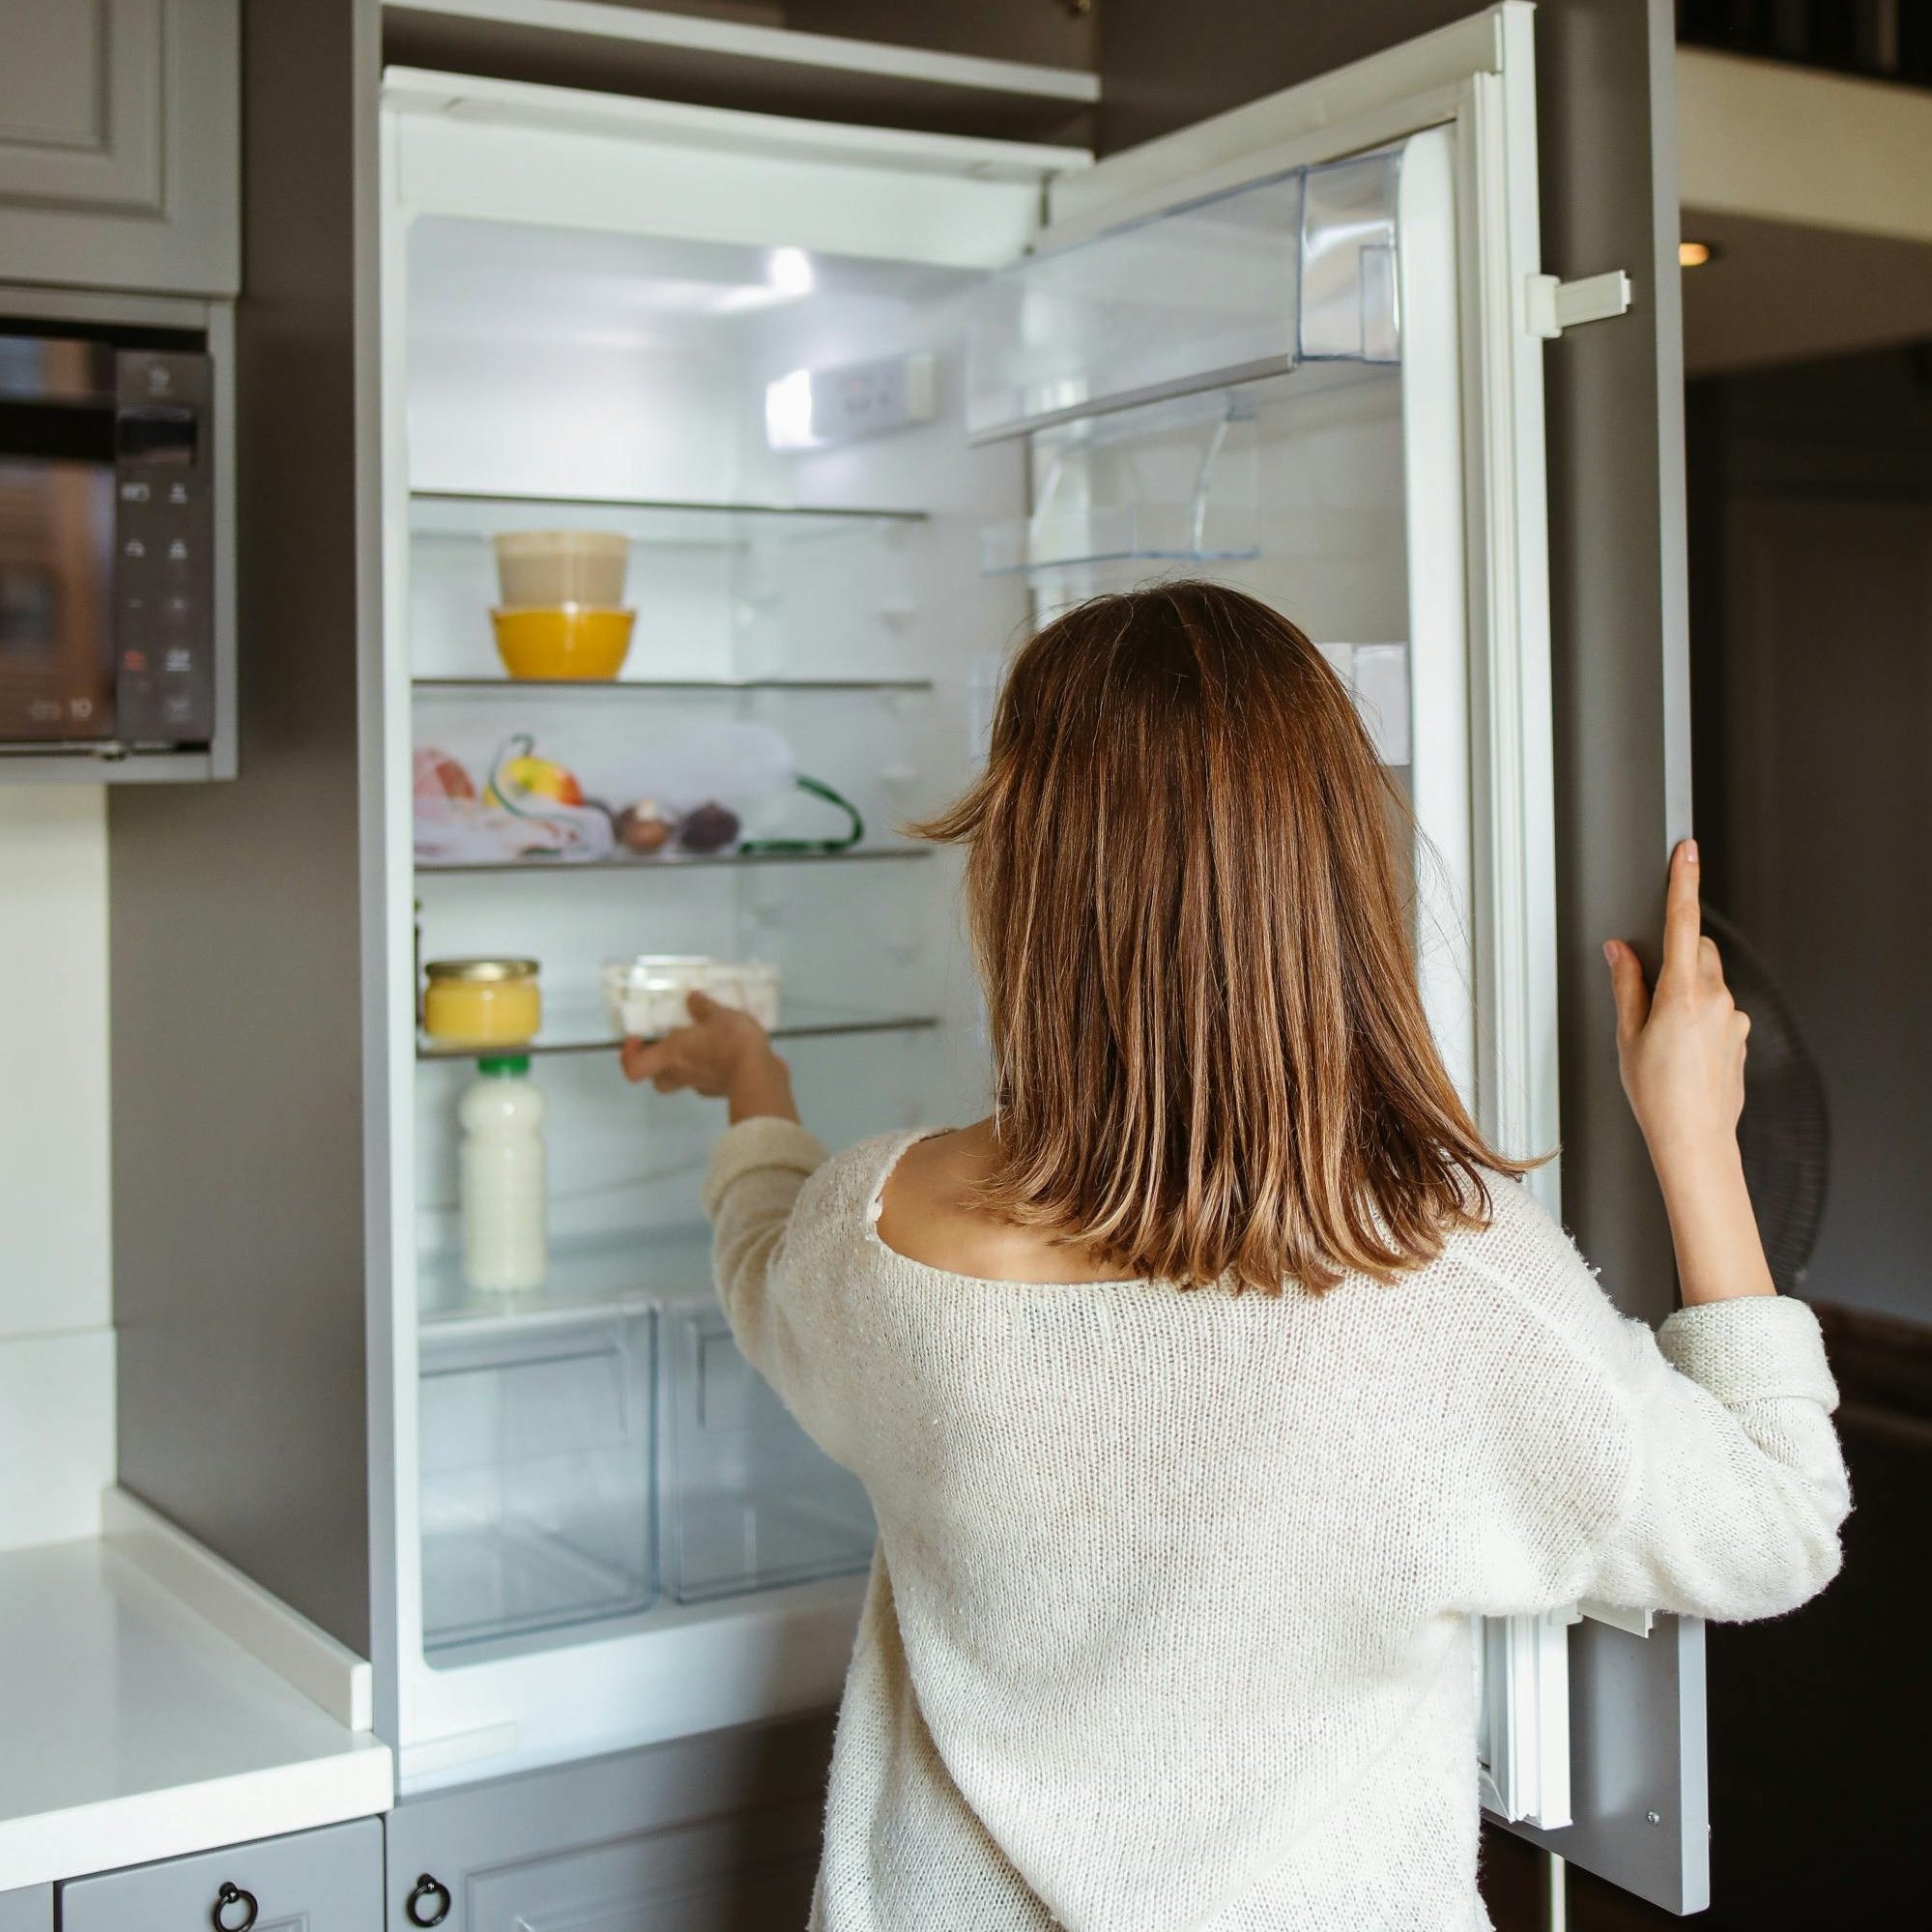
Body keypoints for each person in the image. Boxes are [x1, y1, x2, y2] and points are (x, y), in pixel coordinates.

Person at [622, 582, 1847, 1932]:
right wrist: (1694, 1136)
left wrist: (753, 1085)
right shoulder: (1449, 1283)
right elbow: (1778, 1528)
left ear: (1018, 880)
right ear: (1332, 871)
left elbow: (763, 1268)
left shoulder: (878, 1232)